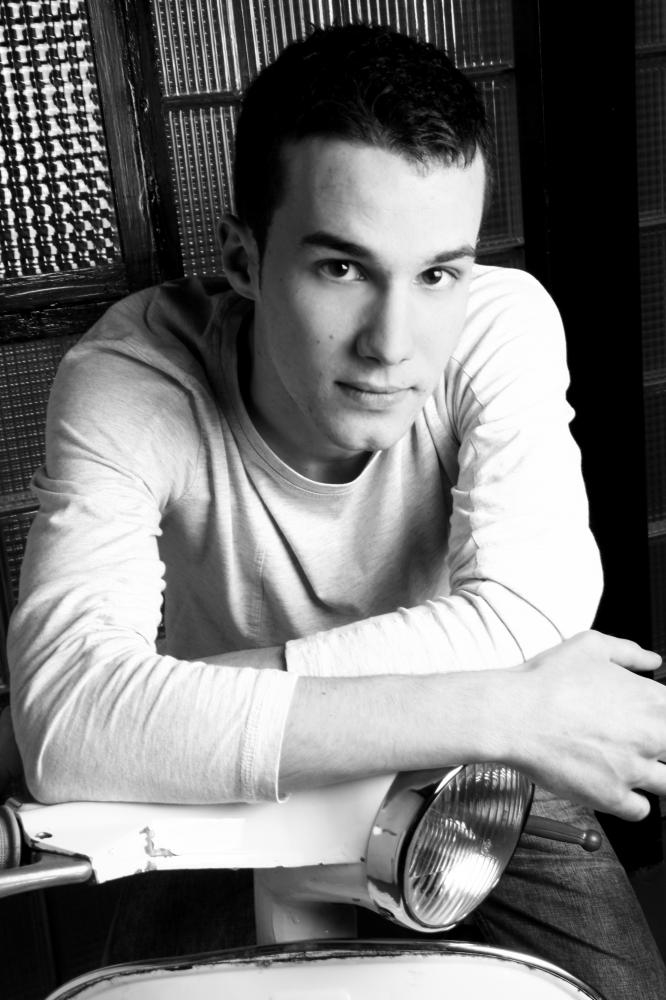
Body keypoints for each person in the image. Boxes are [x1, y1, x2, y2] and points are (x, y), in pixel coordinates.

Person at [6, 22, 666, 998]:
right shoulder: (132, 377)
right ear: (243, 260)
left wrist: (159, 701)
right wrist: (505, 703)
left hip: (452, 769)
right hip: (229, 792)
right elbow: (71, 729)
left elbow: (536, 613)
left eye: (437, 273)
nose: (393, 344)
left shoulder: (501, 321)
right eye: (342, 269)